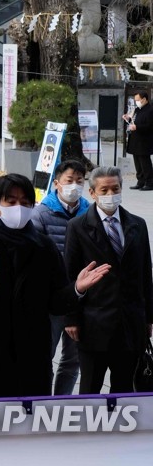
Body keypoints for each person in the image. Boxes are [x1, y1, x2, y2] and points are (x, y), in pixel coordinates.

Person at [0, 173, 110, 399]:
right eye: (11, 202)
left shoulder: (43, 246)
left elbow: (56, 302)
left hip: (32, 352)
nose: (19, 208)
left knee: (31, 424)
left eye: (25, 203)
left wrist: (77, 289)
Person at [65, 166, 153, 394]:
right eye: (104, 190)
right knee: (90, 388)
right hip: (94, 323)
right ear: (92, 193)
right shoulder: (78, 227)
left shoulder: (137, 225)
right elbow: (70, 274)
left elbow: (145, 273)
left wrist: (148, 317)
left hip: (130, 322)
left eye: (115, 188)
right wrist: (71, 317)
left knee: (124, 388)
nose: (110, 194)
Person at [31, 159, 89, 395]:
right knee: (45, 354)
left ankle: (62, 400)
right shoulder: (41, 213)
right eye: (69, 181)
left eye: (79, 181)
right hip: (52, 298)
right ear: (56, 183)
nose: (74, 186)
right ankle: (43, 401)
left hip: (81, 295)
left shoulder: (89, 211)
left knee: (73, 358)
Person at [125, 90, 153, 190]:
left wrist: (137, 127)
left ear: (144, 99)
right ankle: (140, 181)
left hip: (144, 140)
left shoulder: (150, 110)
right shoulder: (138, 109)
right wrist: (127, 118)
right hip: (135, 140)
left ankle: (149, 182)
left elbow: (150, 126)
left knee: (145, 162)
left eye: (138, 100)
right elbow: (134, 120)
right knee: (137, 162)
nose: (136, 102)